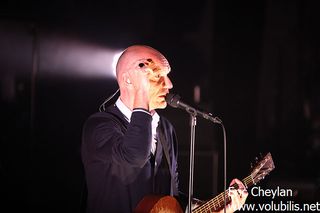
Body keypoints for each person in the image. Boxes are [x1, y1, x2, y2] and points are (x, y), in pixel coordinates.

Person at [81, 45, 248, 213]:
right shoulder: (100, 126)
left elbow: (171, 198)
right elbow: (135, 155)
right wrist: (142, 91)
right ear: (129, 80)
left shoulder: (166, 129)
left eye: (167, 76)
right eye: (157, 76)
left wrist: (216, 208)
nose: (169, 84)